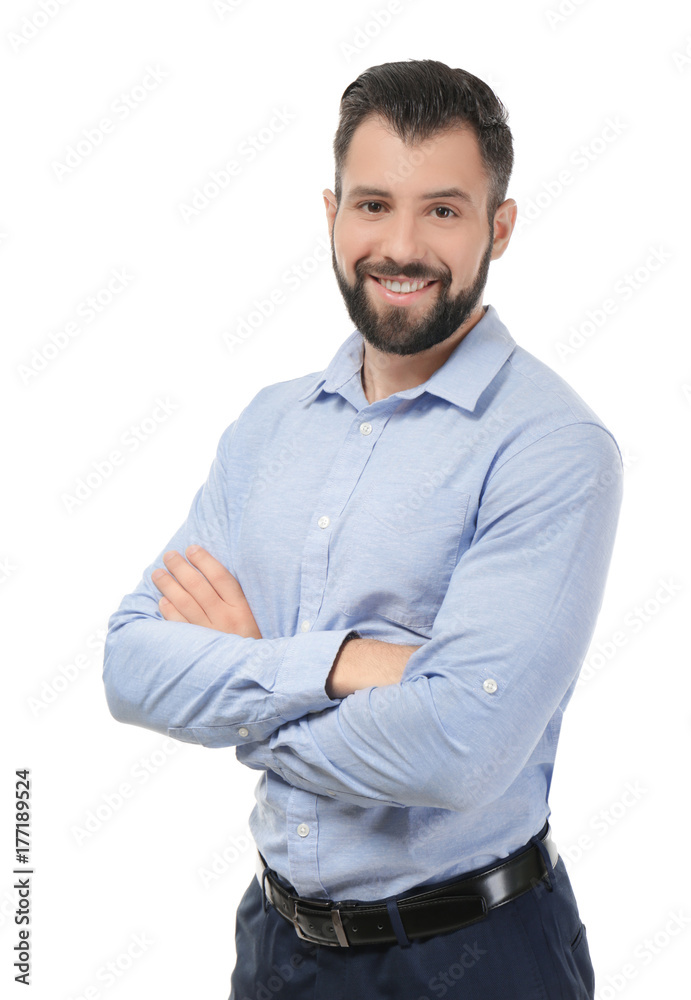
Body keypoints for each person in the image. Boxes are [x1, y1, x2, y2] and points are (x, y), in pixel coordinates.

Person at [103, 59, 623, 999]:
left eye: (443, 210)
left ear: (498, 228)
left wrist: (242, 696)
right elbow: (131, 666)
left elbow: (457, 748)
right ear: (332, 213)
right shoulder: (266, 428)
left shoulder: (551, 446)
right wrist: (343, 663)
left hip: (474, 957)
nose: (401, 244)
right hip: (275, 947)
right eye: (373, 204)